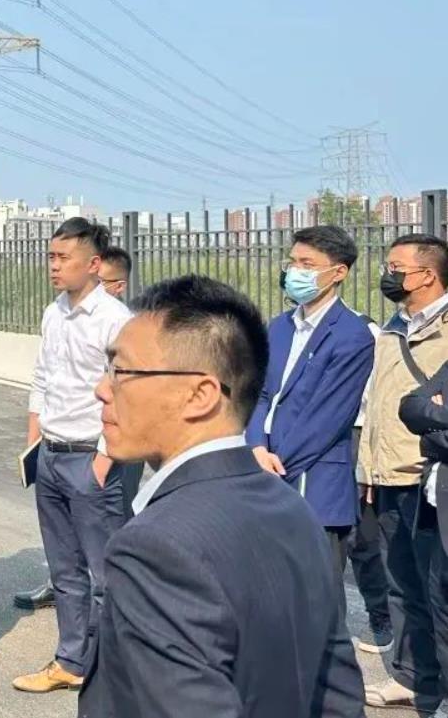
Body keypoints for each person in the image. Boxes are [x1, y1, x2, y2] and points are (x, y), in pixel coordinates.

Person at [79, 274, 365, 718]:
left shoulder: (153, 547)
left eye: (122, 371)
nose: (102, 388)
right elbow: (338, 696)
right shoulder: (293, 509)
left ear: (200, 395)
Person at [13, 218, 131, 694]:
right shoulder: (53, 313)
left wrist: (103, 459)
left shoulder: (115, 320)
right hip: (50, 457)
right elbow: (42, 378)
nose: (54, 266)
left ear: (94, 263)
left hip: (90, 461)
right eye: (51, 256)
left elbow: (127, 393)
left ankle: (113, 668)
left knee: (105, 575)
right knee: (64, 572)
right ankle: (71, 661)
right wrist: (34, 441)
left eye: (64, 258)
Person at [245, 226, 375, 621]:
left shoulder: (353, 335)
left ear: (338, 272)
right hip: (266, 469)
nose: (294, 271)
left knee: (317, 599)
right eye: (293, 262)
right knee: (269, 591)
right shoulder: (279, 327)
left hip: (314, 482)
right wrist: (256, 446)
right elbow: (260, 393)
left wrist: (276, 465)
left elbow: (327, 418)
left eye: (307, 264)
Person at [359, 233, 448, 712]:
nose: (387, 275)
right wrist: (368, 467)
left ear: (427, 274)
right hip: (388, 473)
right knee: (402, 583)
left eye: (396, 267)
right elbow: (376, 402)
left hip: (430, 477)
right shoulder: (393, 327)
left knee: (439, 592)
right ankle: (413, 677)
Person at [400, 360, 448, 718]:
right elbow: (410, 406)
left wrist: (433, 430)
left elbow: (425, 424)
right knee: (441, 610)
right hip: (437, 509)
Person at [346, 310, 395, 654]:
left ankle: (382, 615)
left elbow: (379, 401)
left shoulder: (367, 332)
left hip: (360, 436)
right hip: (318, 440)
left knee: (364, 536)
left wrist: (370, 458)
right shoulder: (289, 328)